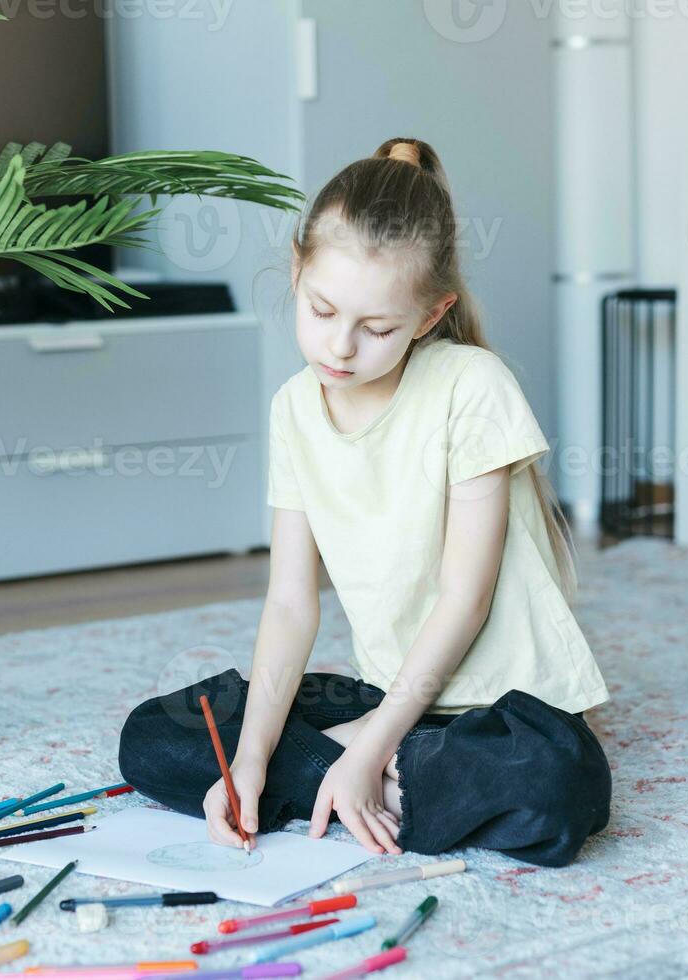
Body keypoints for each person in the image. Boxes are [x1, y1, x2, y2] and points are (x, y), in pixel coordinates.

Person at [118, 138, 613, 869]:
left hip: (500, 710)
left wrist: (371, 743)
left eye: (377, 329)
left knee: (561, 787)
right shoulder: (295, 408)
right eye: (321, 310)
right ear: (296, 270)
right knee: (155, 738)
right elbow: (290, 604)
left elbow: (463, 600)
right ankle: (372, 785)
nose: (340, 347)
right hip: (388, 694)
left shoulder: (472, 386)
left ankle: (353, 774)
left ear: (428, 314)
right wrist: (251, 757)